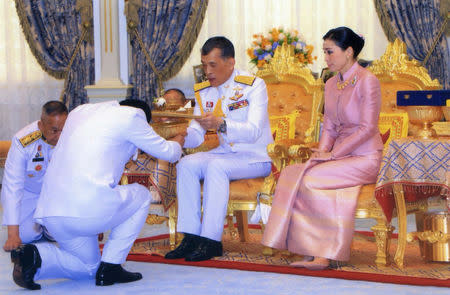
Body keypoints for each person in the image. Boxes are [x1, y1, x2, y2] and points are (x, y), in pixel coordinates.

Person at [10, 99, 185, 290]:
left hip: (52, 213)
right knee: (142, 195)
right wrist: (178, 141)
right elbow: (169, 153)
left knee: (90, 267)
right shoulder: (132, 117)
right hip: (86, 208)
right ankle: (112, 264)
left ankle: (35, 257)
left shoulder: (80, 112)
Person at [261, 27, 383, 270]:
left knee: (312, 178)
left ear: (348, 52)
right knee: (291, 173)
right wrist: (321, 152)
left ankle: (322, 253)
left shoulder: (368, 81)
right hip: (338, 157)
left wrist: (333, 155)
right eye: (324, 52)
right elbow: (328, 128)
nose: (325, 58)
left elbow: (368, 128)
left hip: (365, 158)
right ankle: (304, 248)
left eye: (330, 52)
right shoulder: (330, 84)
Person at [165, 36, 273, 262]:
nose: (207, 71)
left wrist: (221, 124)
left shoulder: (253, 86)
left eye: (212, 65)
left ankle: (211, 241)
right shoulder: (205, 91)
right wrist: (182, 137)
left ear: (230, 63)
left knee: (216, 166)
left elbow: (253, 130)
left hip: (255, 156)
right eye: (204, 65)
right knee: (186, 164)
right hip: (226, 155)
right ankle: (191, 237)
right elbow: (197, 133)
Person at [1, 101, 68, 252]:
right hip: (29, 194)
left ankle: (49, 226)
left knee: (63, 233)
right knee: (25, 236)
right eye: (54, 130)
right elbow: (13, 186)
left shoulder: (72, 137)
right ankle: (40, 224)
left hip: (58, 195)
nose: (59, 136)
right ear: (41, 125)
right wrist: (13, 235)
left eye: (63, 130)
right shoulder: (22, 141)